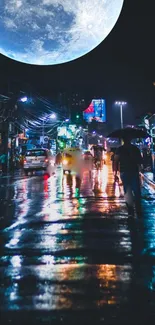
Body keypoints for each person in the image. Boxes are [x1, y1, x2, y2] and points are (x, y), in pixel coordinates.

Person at [114, 136, 143, 217]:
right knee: (136, 191)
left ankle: (130, 210)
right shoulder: (135, 148)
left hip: (124, 172)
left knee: (127, 190)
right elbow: (140, 161)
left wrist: (115, 173)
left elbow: (116, 161)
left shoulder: (120, 149)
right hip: (134, 171)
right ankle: (138, 210)